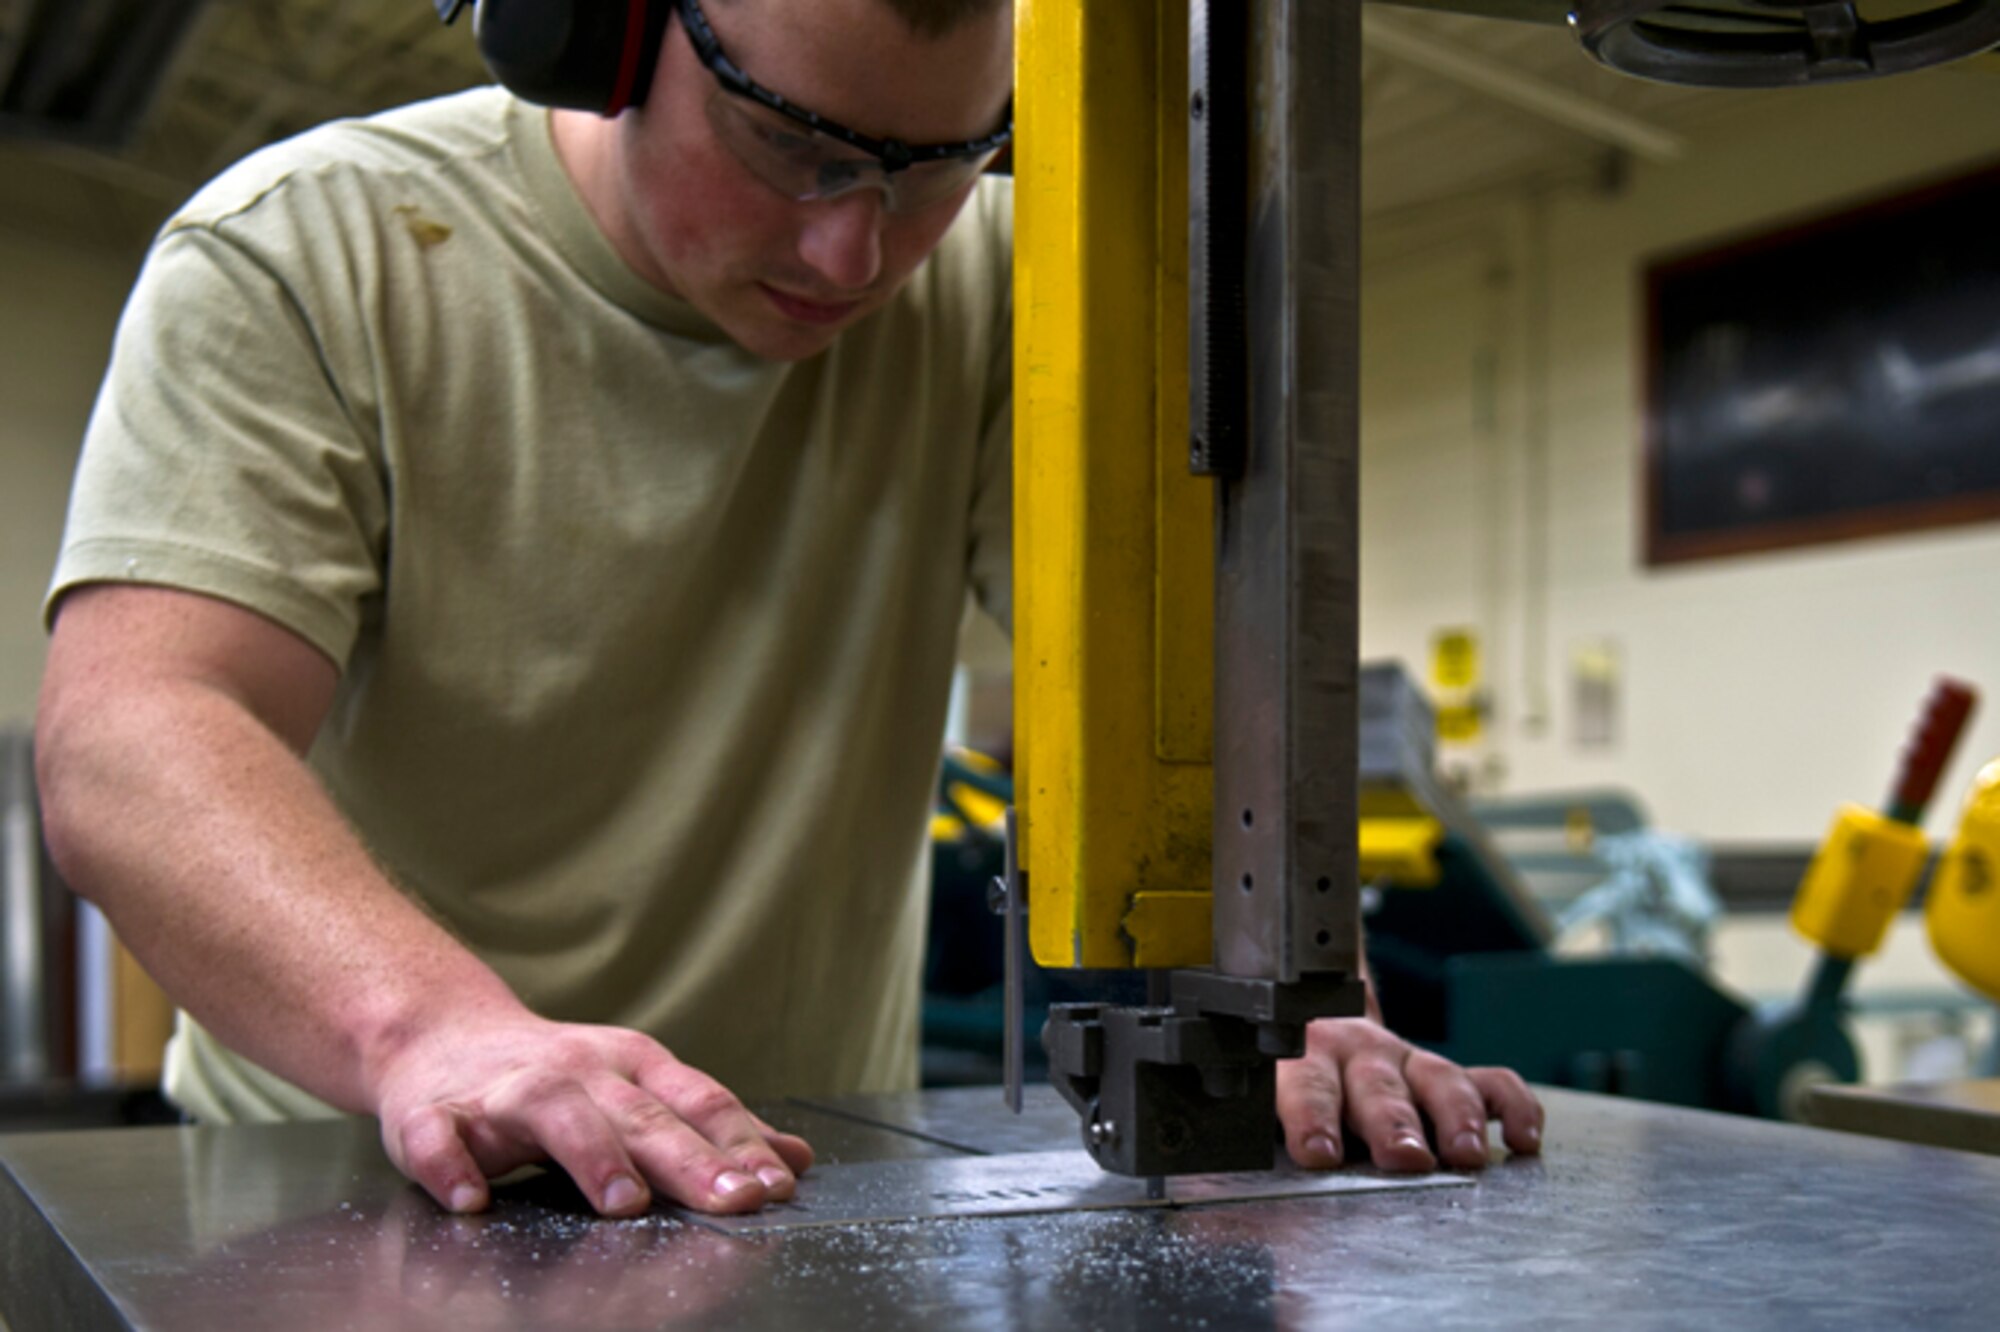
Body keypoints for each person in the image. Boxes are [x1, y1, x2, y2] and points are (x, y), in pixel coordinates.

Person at [34, 0, 1541, 1221]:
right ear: (603, 34)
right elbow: (134, 733)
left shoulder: (1010, 295)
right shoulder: (310, 254)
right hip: (362, 1183)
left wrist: (1295, 996)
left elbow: (1190, 688)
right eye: (787, 146)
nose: (857, 251)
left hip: (797, 1190)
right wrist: (433, 1031)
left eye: (938, 165)